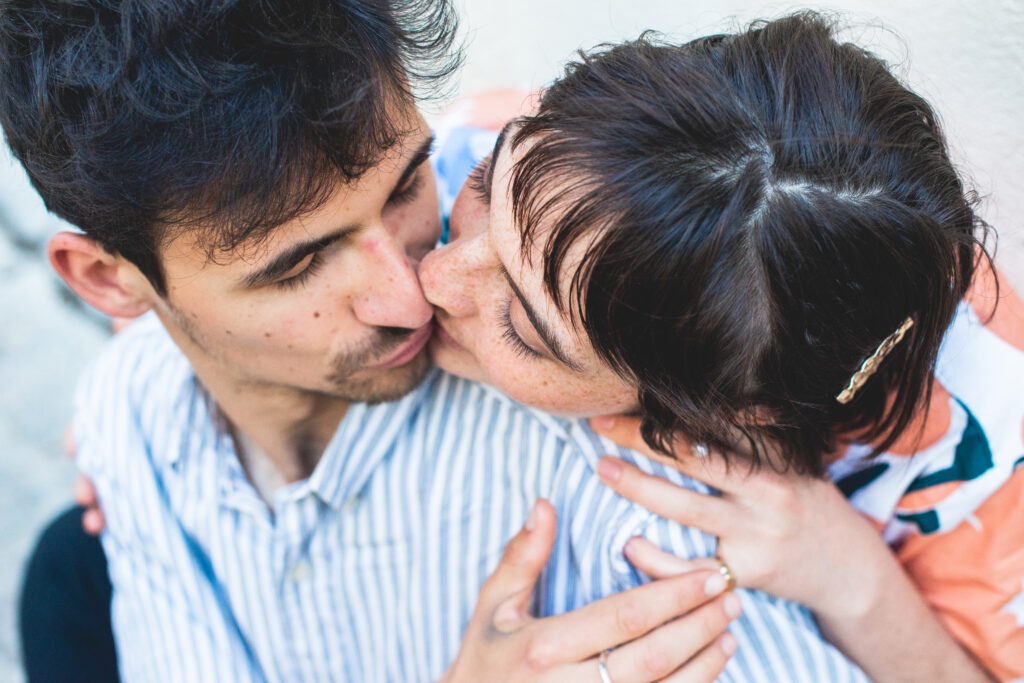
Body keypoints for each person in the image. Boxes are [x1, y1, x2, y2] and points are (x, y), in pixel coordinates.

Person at [3, 1, 868, 681]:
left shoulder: (633, 518)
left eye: (408, 181)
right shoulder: (131, 419)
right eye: (298, 265)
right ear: (110, 283)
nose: (417, 294)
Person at [418, 12, 1023, 682]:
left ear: (730, 407)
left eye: (524, 328)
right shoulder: (477, 142)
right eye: (483, 184)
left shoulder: (991, 427)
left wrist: (856, 579)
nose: (430, 275)